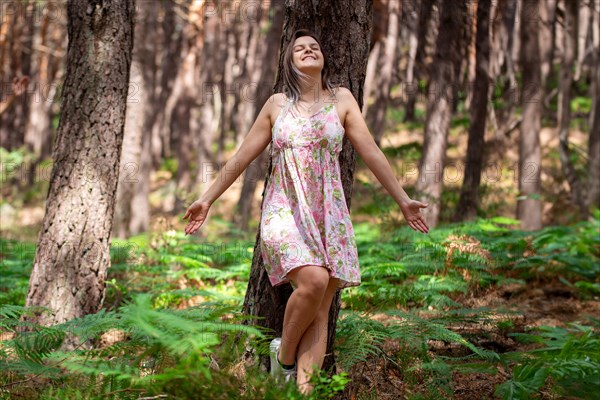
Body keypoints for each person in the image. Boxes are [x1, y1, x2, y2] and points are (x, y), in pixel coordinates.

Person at [183, 29, 429, 395]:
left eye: (315, 46)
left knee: (321, 308)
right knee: (313, 281)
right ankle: (283, 358)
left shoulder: (341, 99)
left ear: (323, 57)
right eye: (300, 48)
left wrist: (403, 199)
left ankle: (301, 393)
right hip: (285, 211)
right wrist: (208, 198)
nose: (309, 50)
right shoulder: (276, 105)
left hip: (329, 214)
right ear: (290, 60)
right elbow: (240, 157)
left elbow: (372, 152)